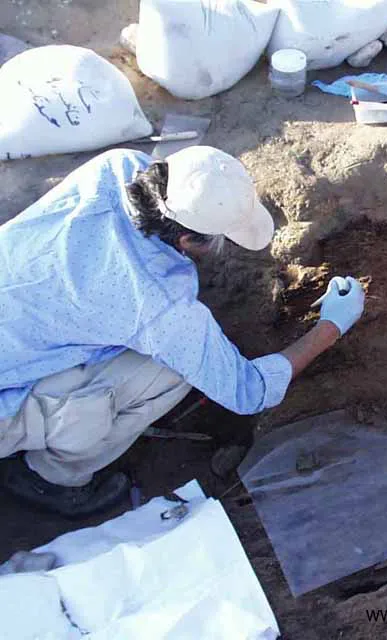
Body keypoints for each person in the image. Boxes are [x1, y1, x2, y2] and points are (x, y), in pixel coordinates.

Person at [0, 146, 365, 517]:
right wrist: (331, 326)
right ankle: (51, 479)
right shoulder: (159, 299)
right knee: (172, 371)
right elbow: (248, 391)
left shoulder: (119, 165)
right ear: (188, 241)